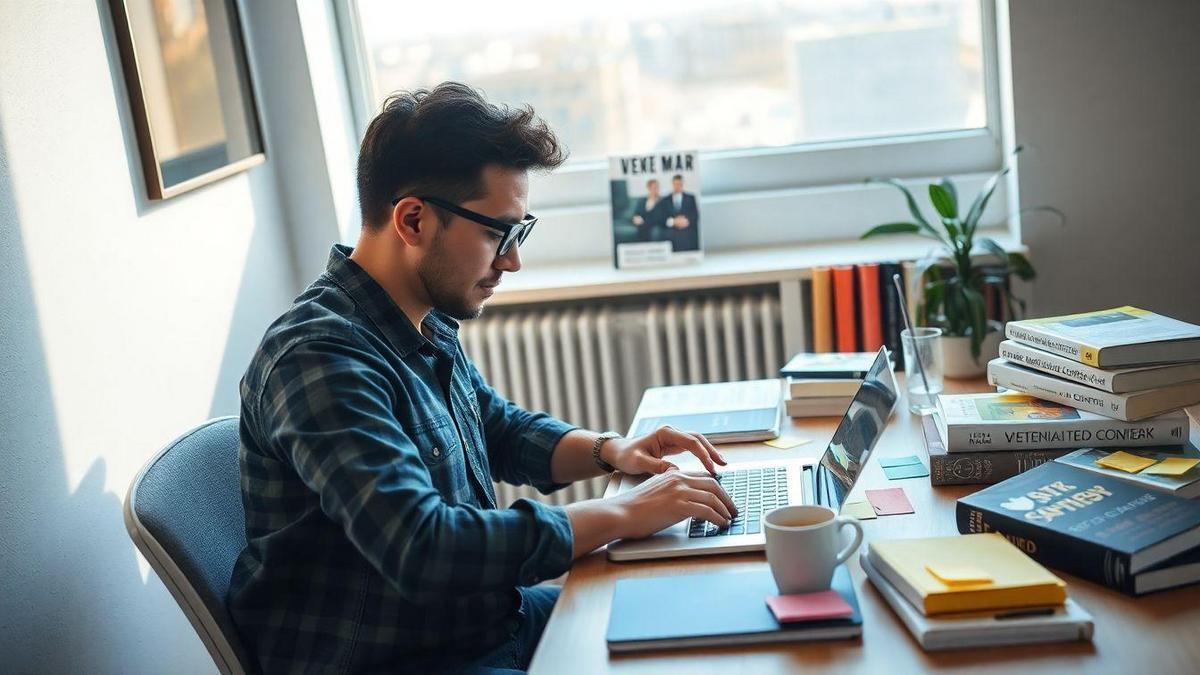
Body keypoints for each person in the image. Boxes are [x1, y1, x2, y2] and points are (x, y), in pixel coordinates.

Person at [227, 82, 737, 674]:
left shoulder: (420, 319)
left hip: (483, 625)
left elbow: (495, 428)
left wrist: (610, 451)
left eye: (519, 232)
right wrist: (624, 515)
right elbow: (423, 546)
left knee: (697, 618)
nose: (513, 261)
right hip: (403, 660)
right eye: (498, 232)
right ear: (413, 220)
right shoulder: (317, 357)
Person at [663, 173, 700, 251]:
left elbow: (695, 215)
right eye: (676, 184)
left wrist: (686, 221)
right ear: (672, 184)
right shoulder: (666, 199)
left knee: (688, 235)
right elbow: (662, 216)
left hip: (687, 227)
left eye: (680, 184)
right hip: (672, 228)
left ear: (683, 184)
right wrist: (673, 221)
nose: (677, 186)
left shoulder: (690, 197)